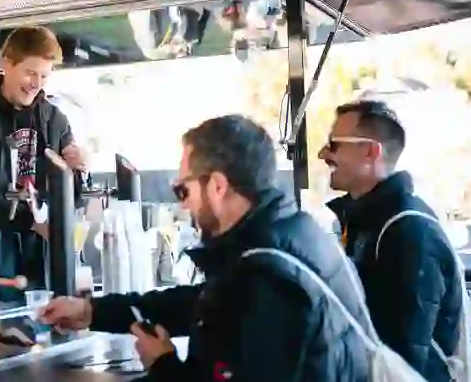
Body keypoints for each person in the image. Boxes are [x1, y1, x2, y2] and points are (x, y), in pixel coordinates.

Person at [40, 115, 370, 381]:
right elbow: (203, 305)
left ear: (217, 186)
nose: (183, 206)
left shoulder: (267, 274)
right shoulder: (292, 235)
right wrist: (92, 311)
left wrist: (162, 364)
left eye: (183, 191)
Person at [322, 99, 467, 382]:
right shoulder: (368, 221)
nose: (323, 154)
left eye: (334, 144)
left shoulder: (408, 230)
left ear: (370, 151)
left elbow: (405, 361)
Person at [0, 26, 84, 300]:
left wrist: (78, 171)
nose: (37, 84)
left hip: (45, 272)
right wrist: (30, 220)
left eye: (44, 76)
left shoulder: (55, 121)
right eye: (30, 73)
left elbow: (74, 197)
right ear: (7, 63)